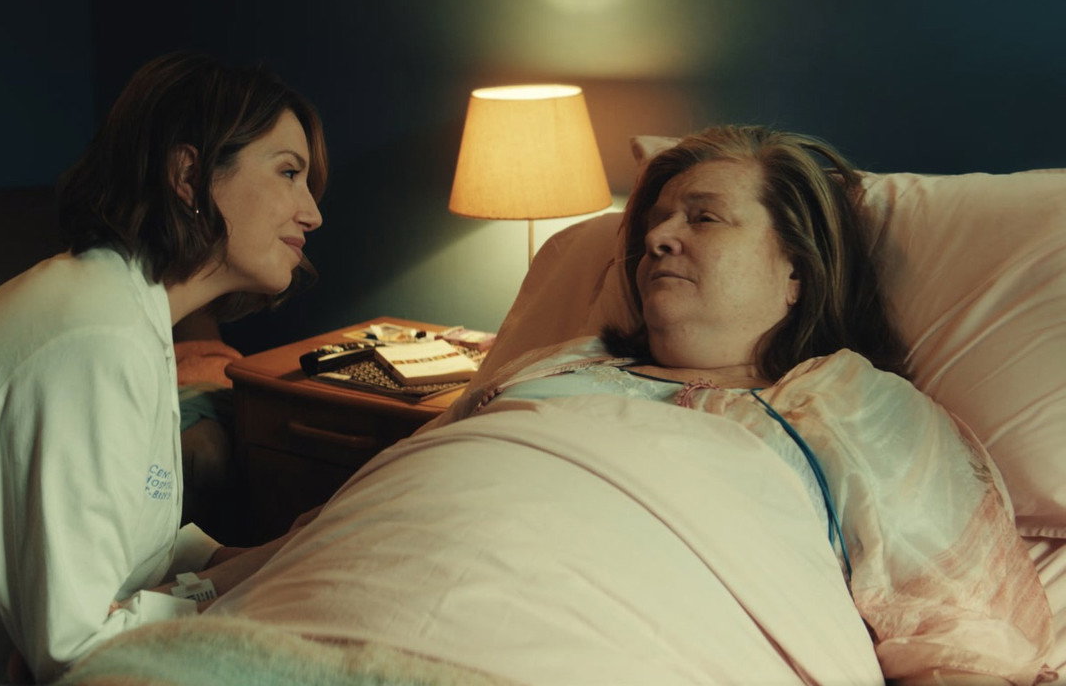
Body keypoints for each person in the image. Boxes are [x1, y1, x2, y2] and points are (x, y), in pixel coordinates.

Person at [75, 126, 1051, 686]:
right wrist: (212, 579)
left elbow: (965, 639)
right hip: (283, 635)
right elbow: (372, 502)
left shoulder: (854, 406)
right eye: (653, 221)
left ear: (796, 269)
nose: (656, 238)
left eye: (703, 217)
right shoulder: (556, 367)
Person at [0, 51, 326, 685]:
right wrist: (247, 599)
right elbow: (76, 650)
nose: (311, 212)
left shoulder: (128, 311)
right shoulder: (93, 334)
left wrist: (272, 558)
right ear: (190, 174)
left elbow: (129, 542)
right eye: (288, 172)